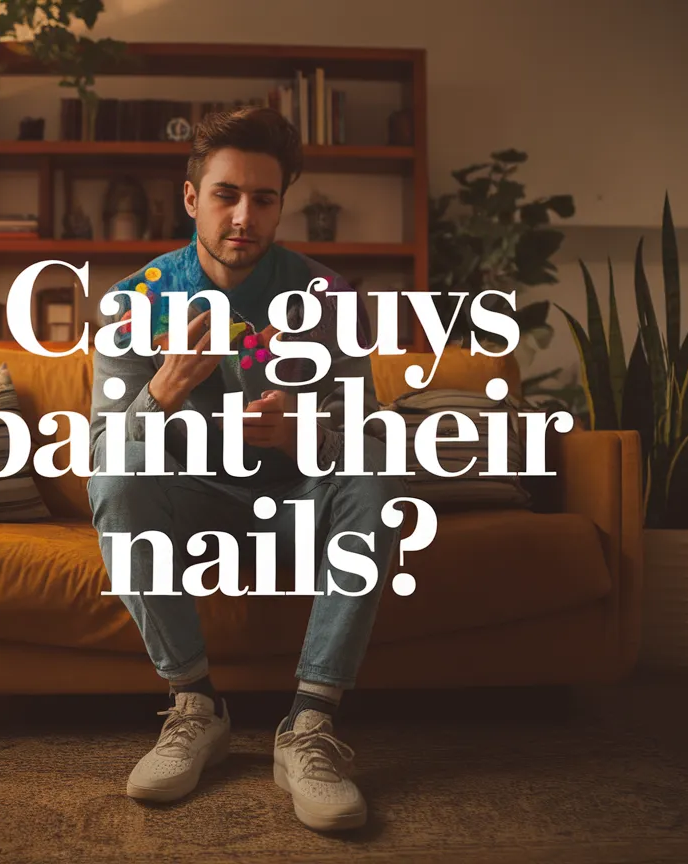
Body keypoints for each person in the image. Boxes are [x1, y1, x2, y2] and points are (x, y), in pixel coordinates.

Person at [87, 106, 405, 833]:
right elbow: (106, 454)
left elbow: (363, 436)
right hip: (191, 510)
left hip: (295, 508)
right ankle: (196, 707)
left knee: (376, 474)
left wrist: (304, 431)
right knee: (119, 476)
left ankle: (310, 727)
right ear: (192, 197)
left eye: (263, 199)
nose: (244, 216)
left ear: (280, 205)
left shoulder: (328, 297)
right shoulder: (135, 302)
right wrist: (158, 395)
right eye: (227, 194)